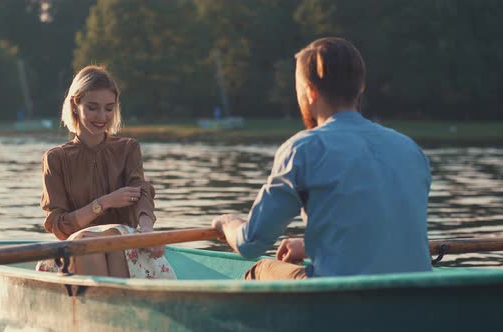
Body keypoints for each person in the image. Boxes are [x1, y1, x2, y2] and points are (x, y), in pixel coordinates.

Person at [212, 37, 432, 279]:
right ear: (360, 88)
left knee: (259, 269)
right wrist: (310, 244)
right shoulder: (410, 148)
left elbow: (249, 244)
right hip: (414, 293)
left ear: (310, 92)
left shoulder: (302, 149)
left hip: (339, 299)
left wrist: (227, 223)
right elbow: (379, 227)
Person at [37, 65, 175, 279]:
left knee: (112, 242)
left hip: (123, 245)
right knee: (87, 243)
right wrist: (104, 203)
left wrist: (147, 229)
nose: (102, 116)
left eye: (109, 108)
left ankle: (112, 305)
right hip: (77, 247)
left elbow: (141, 192)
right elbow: (59, 227)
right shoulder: (55, 158)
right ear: (75, 105)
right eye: (92, 107)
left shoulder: (128, 148)